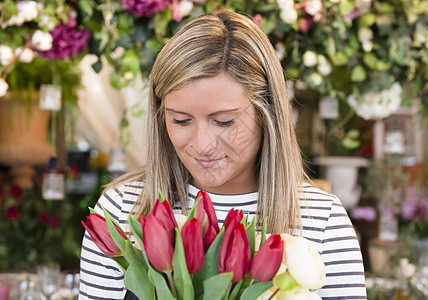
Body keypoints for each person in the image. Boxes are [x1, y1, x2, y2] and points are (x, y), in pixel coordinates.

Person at [79, 10, 367, 299]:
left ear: (267, 113)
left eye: (224, 122)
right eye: (180, 120)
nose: (202, 144)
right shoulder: (122, 209)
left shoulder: (321, 218)